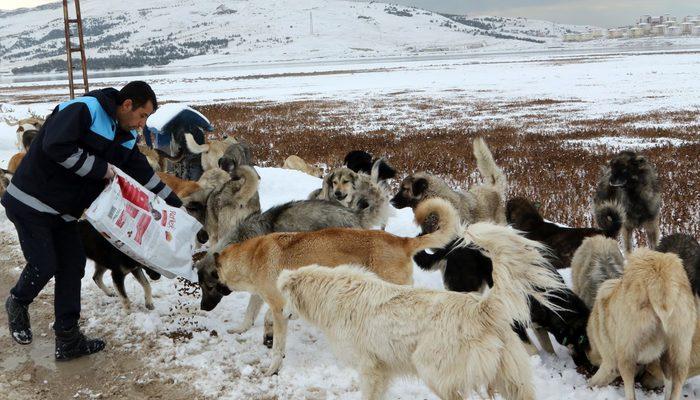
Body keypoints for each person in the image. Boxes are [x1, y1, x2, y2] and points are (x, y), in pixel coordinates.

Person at [2, 81, 182, 361]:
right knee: (45, 263)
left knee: (73, 267)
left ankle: (68, 339)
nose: (142, 124)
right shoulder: (86, 110)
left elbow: (142, 173)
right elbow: (55, 146)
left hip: (64, 211)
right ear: (127, 105)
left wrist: (174, 203)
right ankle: (17, 301)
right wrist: (102, 170)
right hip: (30, 201)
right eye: (142, 115)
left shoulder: (125, 137)